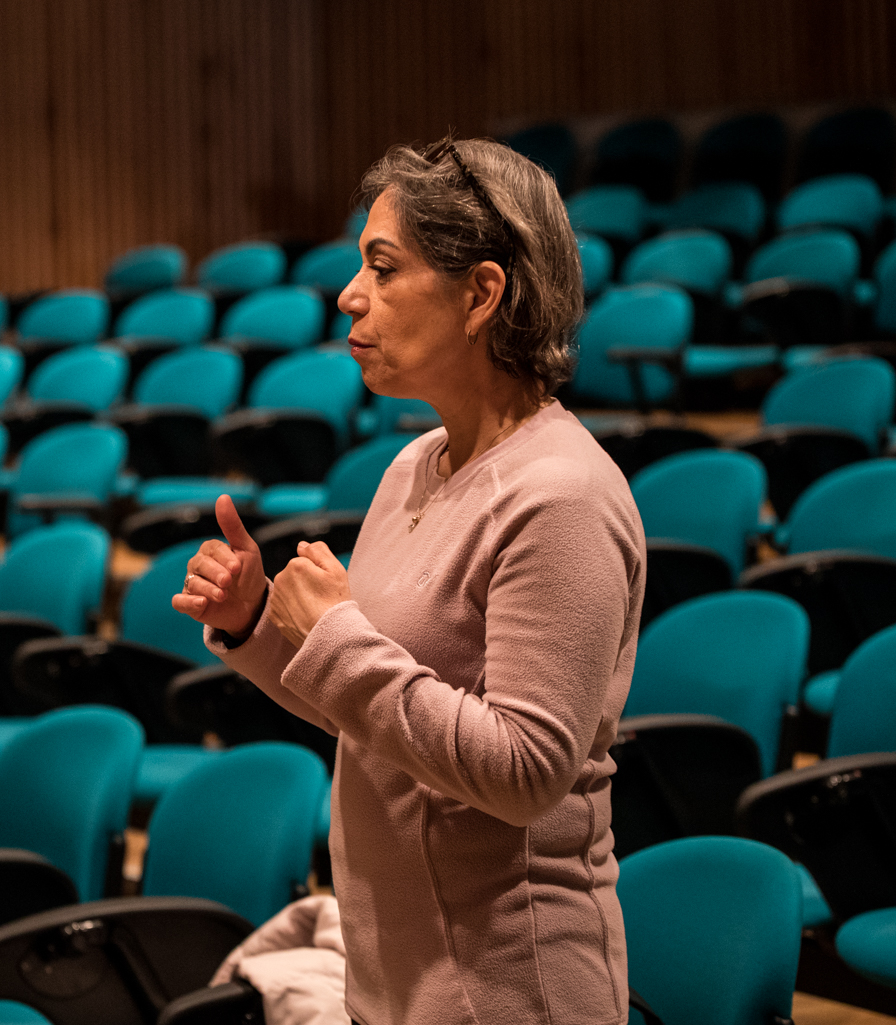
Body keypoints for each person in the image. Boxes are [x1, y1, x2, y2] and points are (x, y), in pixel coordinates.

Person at [175, 138, 646, 1025]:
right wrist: (259, 630)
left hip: (512, 988)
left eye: (383, 268)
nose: (351, 293)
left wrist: (338, 638)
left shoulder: (563, 497)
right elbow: (376, 712)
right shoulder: (411, 468)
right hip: (395, 981)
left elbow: (525, 770)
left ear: (482, 293)